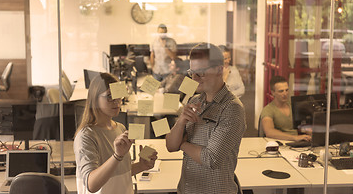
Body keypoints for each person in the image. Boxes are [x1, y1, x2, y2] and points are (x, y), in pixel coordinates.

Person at [166, 42, 246, 194]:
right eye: (192, 72)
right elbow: (170, 145)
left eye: (201, 72)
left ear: (219, 69)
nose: (194, 78)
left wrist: (182, 144)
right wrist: (182, 119)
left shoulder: (232, 108)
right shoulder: (194, 101)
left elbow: (211, 159)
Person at [74, 73, 157, 194]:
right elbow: (91, 184)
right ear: (95, 99)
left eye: (119, 95)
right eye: (109, 96)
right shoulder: (86, 136)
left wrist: (141, 166)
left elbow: (117, 173)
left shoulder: (120, 128)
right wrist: (117, 156)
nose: (117, 102)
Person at [260, 75, 311, 141]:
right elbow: (269, 132)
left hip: (297, 144)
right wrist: (294, 138)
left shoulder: (293, 106)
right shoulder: (268, 110)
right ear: (273, 93)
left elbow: (301, 126)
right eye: (281, 91)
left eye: (286, 90)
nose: (285, 94)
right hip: (279, 143)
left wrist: (309, 131)